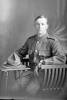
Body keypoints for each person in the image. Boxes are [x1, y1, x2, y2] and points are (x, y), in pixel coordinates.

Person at [3, 15, 66, 95]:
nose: (40, 27)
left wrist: (44, 62)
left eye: (42, 24)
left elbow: (61, 58)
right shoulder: (30, 40)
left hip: (44, 74)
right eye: (37, 24)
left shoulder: (53, 41)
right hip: (30, 72)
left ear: (46, 26)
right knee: (14, 89)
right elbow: (19, 53)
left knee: (29, 92)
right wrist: (12, 61)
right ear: (35, 26)